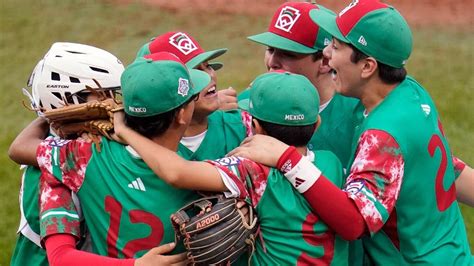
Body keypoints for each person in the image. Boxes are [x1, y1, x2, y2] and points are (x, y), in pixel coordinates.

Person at [230, 0, 472, 264]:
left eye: (335, 46)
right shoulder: (409, 92)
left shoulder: (383, 135)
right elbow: (447, 167)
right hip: (453, 253)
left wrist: (288, 159)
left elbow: (355, 220)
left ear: (367, 67)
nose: (326, 53)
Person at [113, 71, 350, 265]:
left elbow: (177, 172)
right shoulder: (332, 163)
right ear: (316, 124)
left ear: (255, 126)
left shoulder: (251, 169)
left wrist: (127, 132)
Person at [11, 52, 204, 265]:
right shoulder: (71, 160)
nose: (113, 103)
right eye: (103, 94)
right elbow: (60, 258)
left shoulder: (80, 155)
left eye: (118, 95)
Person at [8, 42, 125, 266]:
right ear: (68, 101)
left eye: (112, 93)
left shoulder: (53, 146)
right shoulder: (57, 165)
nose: (113, 103)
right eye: (101, 95)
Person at [242, 1, 359, 167]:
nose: (272, 62)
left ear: (325, 61)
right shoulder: (248, 102)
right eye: (270, 49)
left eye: (287, 54)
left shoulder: (358, 117)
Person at [138, 31, 251, 161]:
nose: (210, 76)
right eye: (196, 71)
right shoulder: (139, 144)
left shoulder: (242, 126)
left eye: (208, 66)